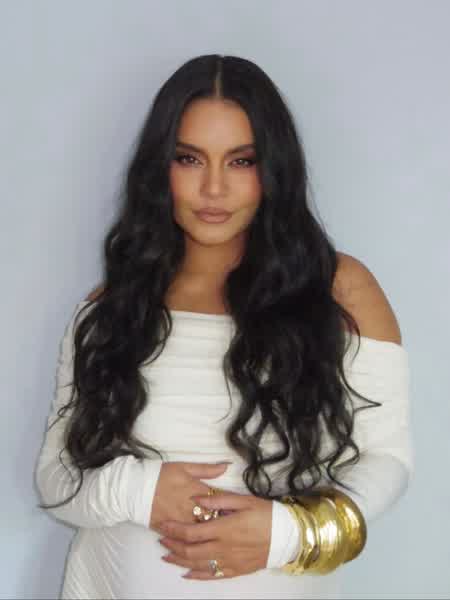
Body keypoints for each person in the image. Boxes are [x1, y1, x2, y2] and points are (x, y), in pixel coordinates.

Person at [35, 54, 414, 599]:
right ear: (159, 168)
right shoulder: (112, 307)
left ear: (274, 169)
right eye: (189, 158)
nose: (213, 189)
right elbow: (54, 477)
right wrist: (136, 491)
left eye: (241, 161)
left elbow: (389, 459)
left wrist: (290, 534)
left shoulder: (339, 289)